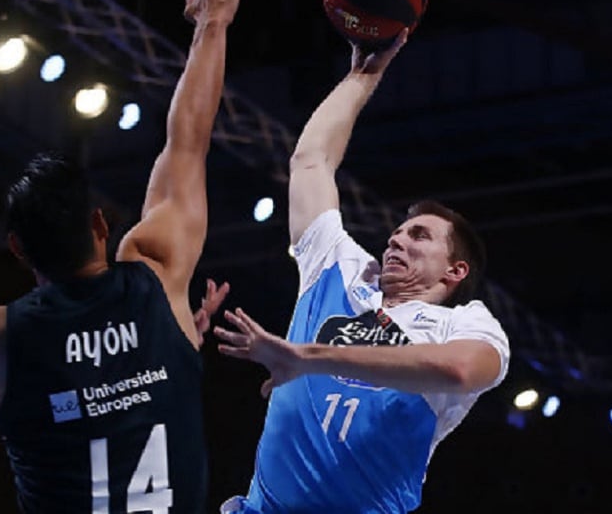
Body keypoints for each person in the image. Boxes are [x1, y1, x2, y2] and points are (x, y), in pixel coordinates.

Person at [0, 0, 245, 514]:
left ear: (17, 247)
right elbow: (188, 142)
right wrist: (211, 24)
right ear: (100, 222)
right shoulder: (158, 275)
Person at [215, 31, 510, 513]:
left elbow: (459, 370)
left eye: (419, 236)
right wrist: (364, 74)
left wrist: (308, 357)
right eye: (397, 232)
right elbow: (310, 162)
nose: (396, 238)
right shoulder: (339, 271)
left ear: (455, 270)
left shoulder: (466, 325)